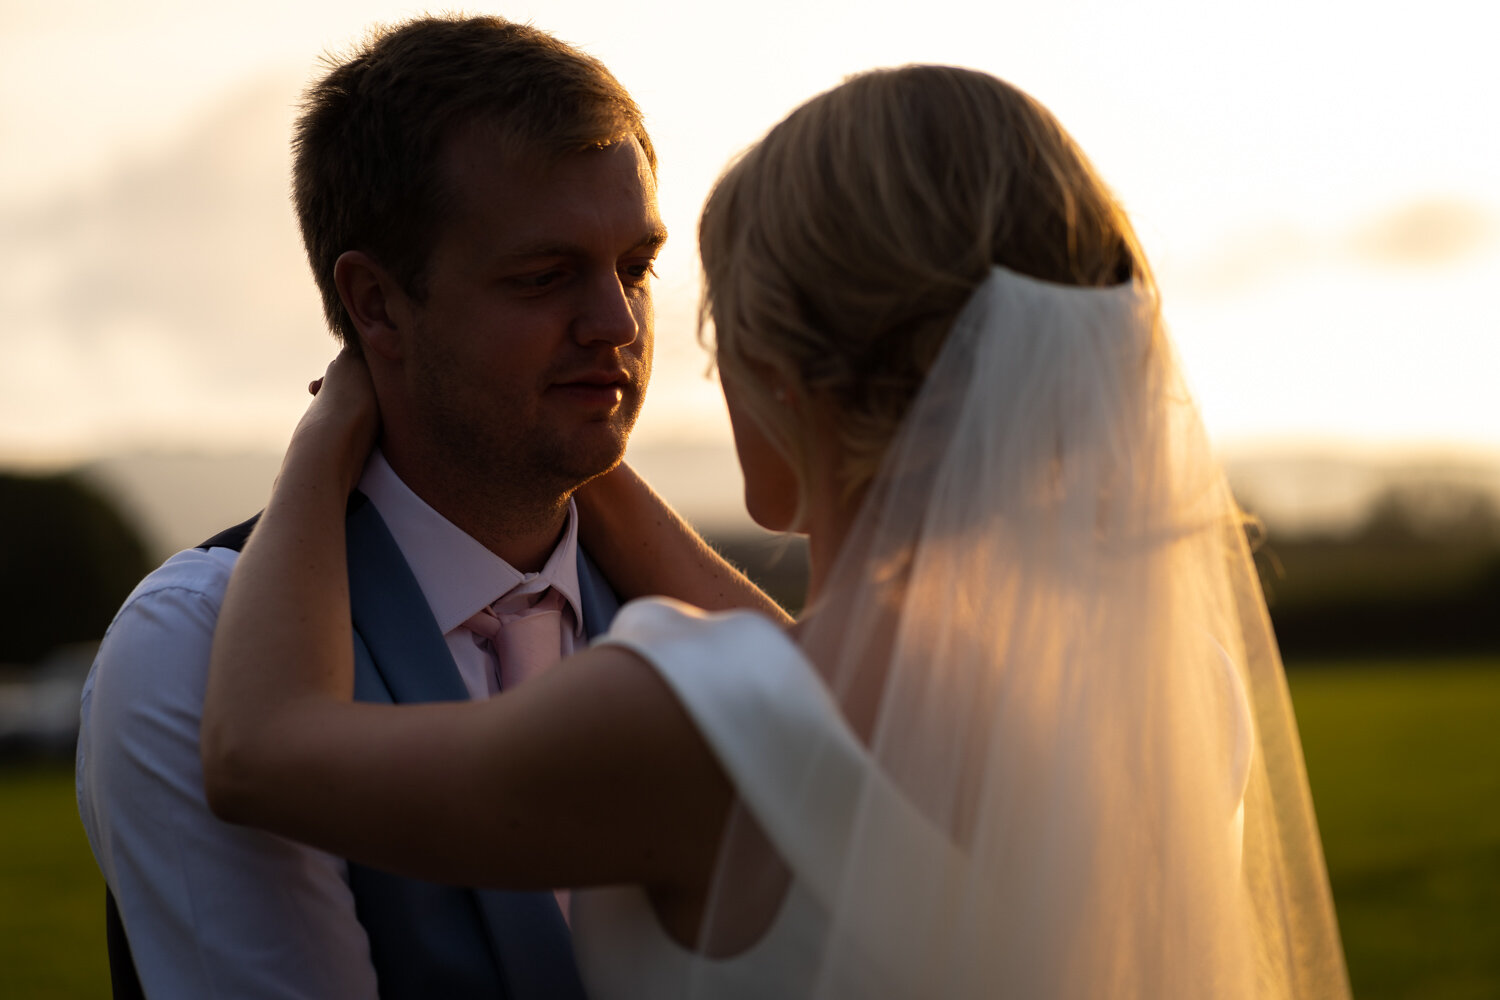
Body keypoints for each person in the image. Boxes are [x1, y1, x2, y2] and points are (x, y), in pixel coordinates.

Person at [201, 65, 1352, 998]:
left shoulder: (690, 719)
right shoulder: (1176, 690)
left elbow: (260, 749)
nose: (633, 335)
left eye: (685, 306)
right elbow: (848, 725)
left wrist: (337, 421)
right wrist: (581, 455)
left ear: (785, 376)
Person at [75, 14, 778, 999]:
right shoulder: (196, 639)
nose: (618, 323)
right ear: (375, 304)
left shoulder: (695, 629)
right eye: (544, 276)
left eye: (635, 267)